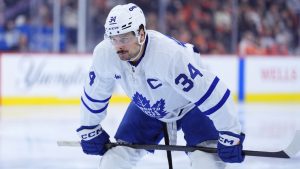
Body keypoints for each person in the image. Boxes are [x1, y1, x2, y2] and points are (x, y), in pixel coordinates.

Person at [76, 3, 245, 169]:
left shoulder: (168, 56)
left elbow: (210, 93)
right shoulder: (105, 53)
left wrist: (231, 134)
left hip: (190, 107)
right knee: (113, 161)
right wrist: (89, 128)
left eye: (124, 38)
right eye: (113, 39)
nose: (118, 46)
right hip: (147, 107)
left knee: (206, 164)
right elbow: (95, 93)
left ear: (141, 33)